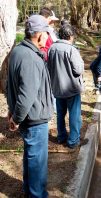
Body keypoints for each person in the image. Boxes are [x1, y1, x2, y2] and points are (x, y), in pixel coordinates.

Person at [7, 15, 53, 197]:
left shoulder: (19, 51)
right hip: (34, 119)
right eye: (47, 34)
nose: (48, 38)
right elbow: (26, 95)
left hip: (28, 117)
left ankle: (29, 190)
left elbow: (12, 86)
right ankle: (36, 194)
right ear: (40, 35)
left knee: (30, 156)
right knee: (37, 161)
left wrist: (12, 111)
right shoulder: (31, 58)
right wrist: (16, 118)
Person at [48, 25, 84, 149]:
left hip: (57, 88)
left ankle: (61, 137)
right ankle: (73, 141)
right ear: (70, 36)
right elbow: (78, 70)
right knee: (74, 115)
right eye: (73, 36)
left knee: (60, 114)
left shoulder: (51, 48)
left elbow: (49, 67)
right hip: (71, 89)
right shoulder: (71, 49)